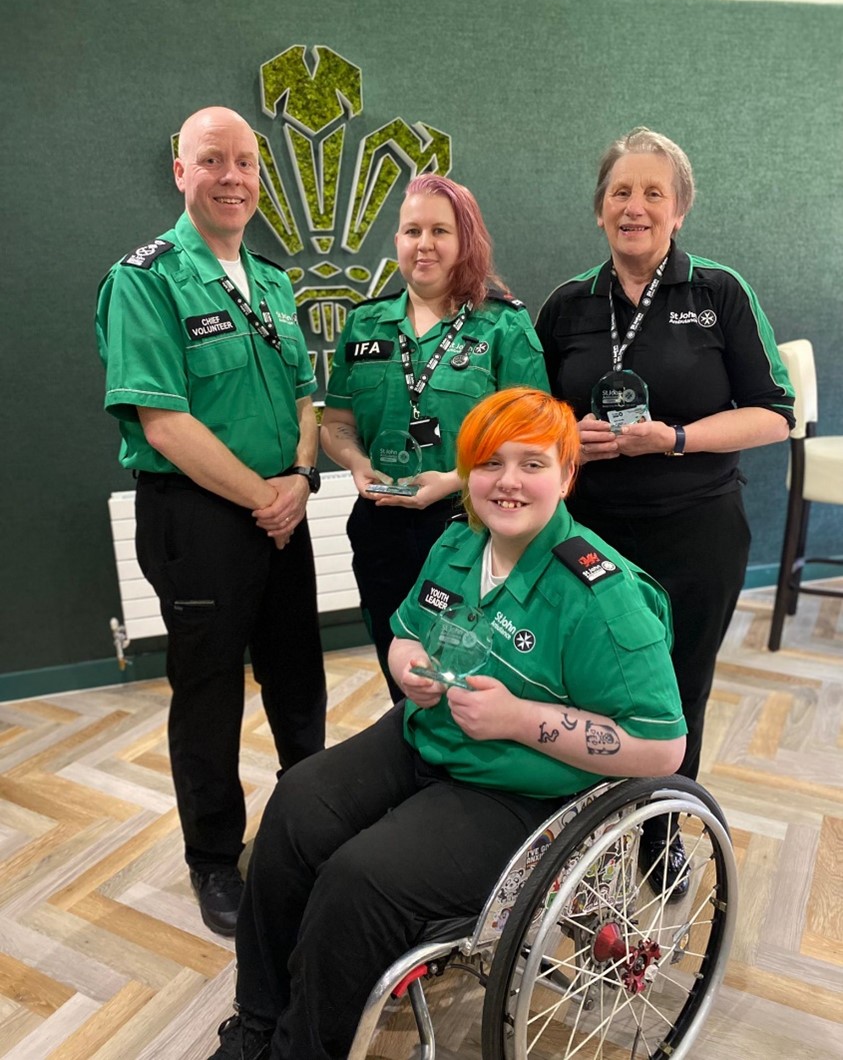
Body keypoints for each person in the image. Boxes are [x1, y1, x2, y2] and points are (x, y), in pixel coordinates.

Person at [209, 387, 686, 1060]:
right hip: (427, 736)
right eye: (489, 464)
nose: (508, 482)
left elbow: (661, 747)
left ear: (566, 474)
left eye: (531, 463)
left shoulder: (601, 598)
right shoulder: (460, 543)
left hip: (520, 790)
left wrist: (521, 719)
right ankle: (258, 1020)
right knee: (295, 807)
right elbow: (408, 630)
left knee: (361, 878)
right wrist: (407, 664)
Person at [536, 125, 794, 889]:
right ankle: (579, 836)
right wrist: (565, 436)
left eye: (653, 193)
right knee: (584, 685)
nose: (635, 206)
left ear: (678, 208)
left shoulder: (718, 293)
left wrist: (674, 438)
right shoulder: (566, 305)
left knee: (677, 691)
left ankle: (660, 833)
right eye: (621, 192)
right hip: (588, 536)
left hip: (696, 530)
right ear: (598, 209)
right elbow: (530, 416)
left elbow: (774, 414)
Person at [95, 106, 327, 936]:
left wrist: (299, 477)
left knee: (300, 681)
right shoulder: (145, 278)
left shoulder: (270, 280)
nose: (232, 177)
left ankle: (312, 830)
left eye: (245, 164)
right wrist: (266, 497)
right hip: (199, 521)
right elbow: (164, 423)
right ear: (180, 172)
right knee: (209, 696)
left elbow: (306, 396)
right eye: (213, 161)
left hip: (284, 508)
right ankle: (213, 860)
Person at [321, 173, 549, 702]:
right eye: (411, 230)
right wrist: (356, 463)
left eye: (440, 231)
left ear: (465, 240)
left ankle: (470, 777)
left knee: (472, 675)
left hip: (473, 528)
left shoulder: (503, 325)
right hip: (381, 527)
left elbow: (534, 436)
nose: (423, 244)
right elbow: (336, 423)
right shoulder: (364, 324)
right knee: (402, 671)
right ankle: (415, 767)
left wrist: (452, 480)